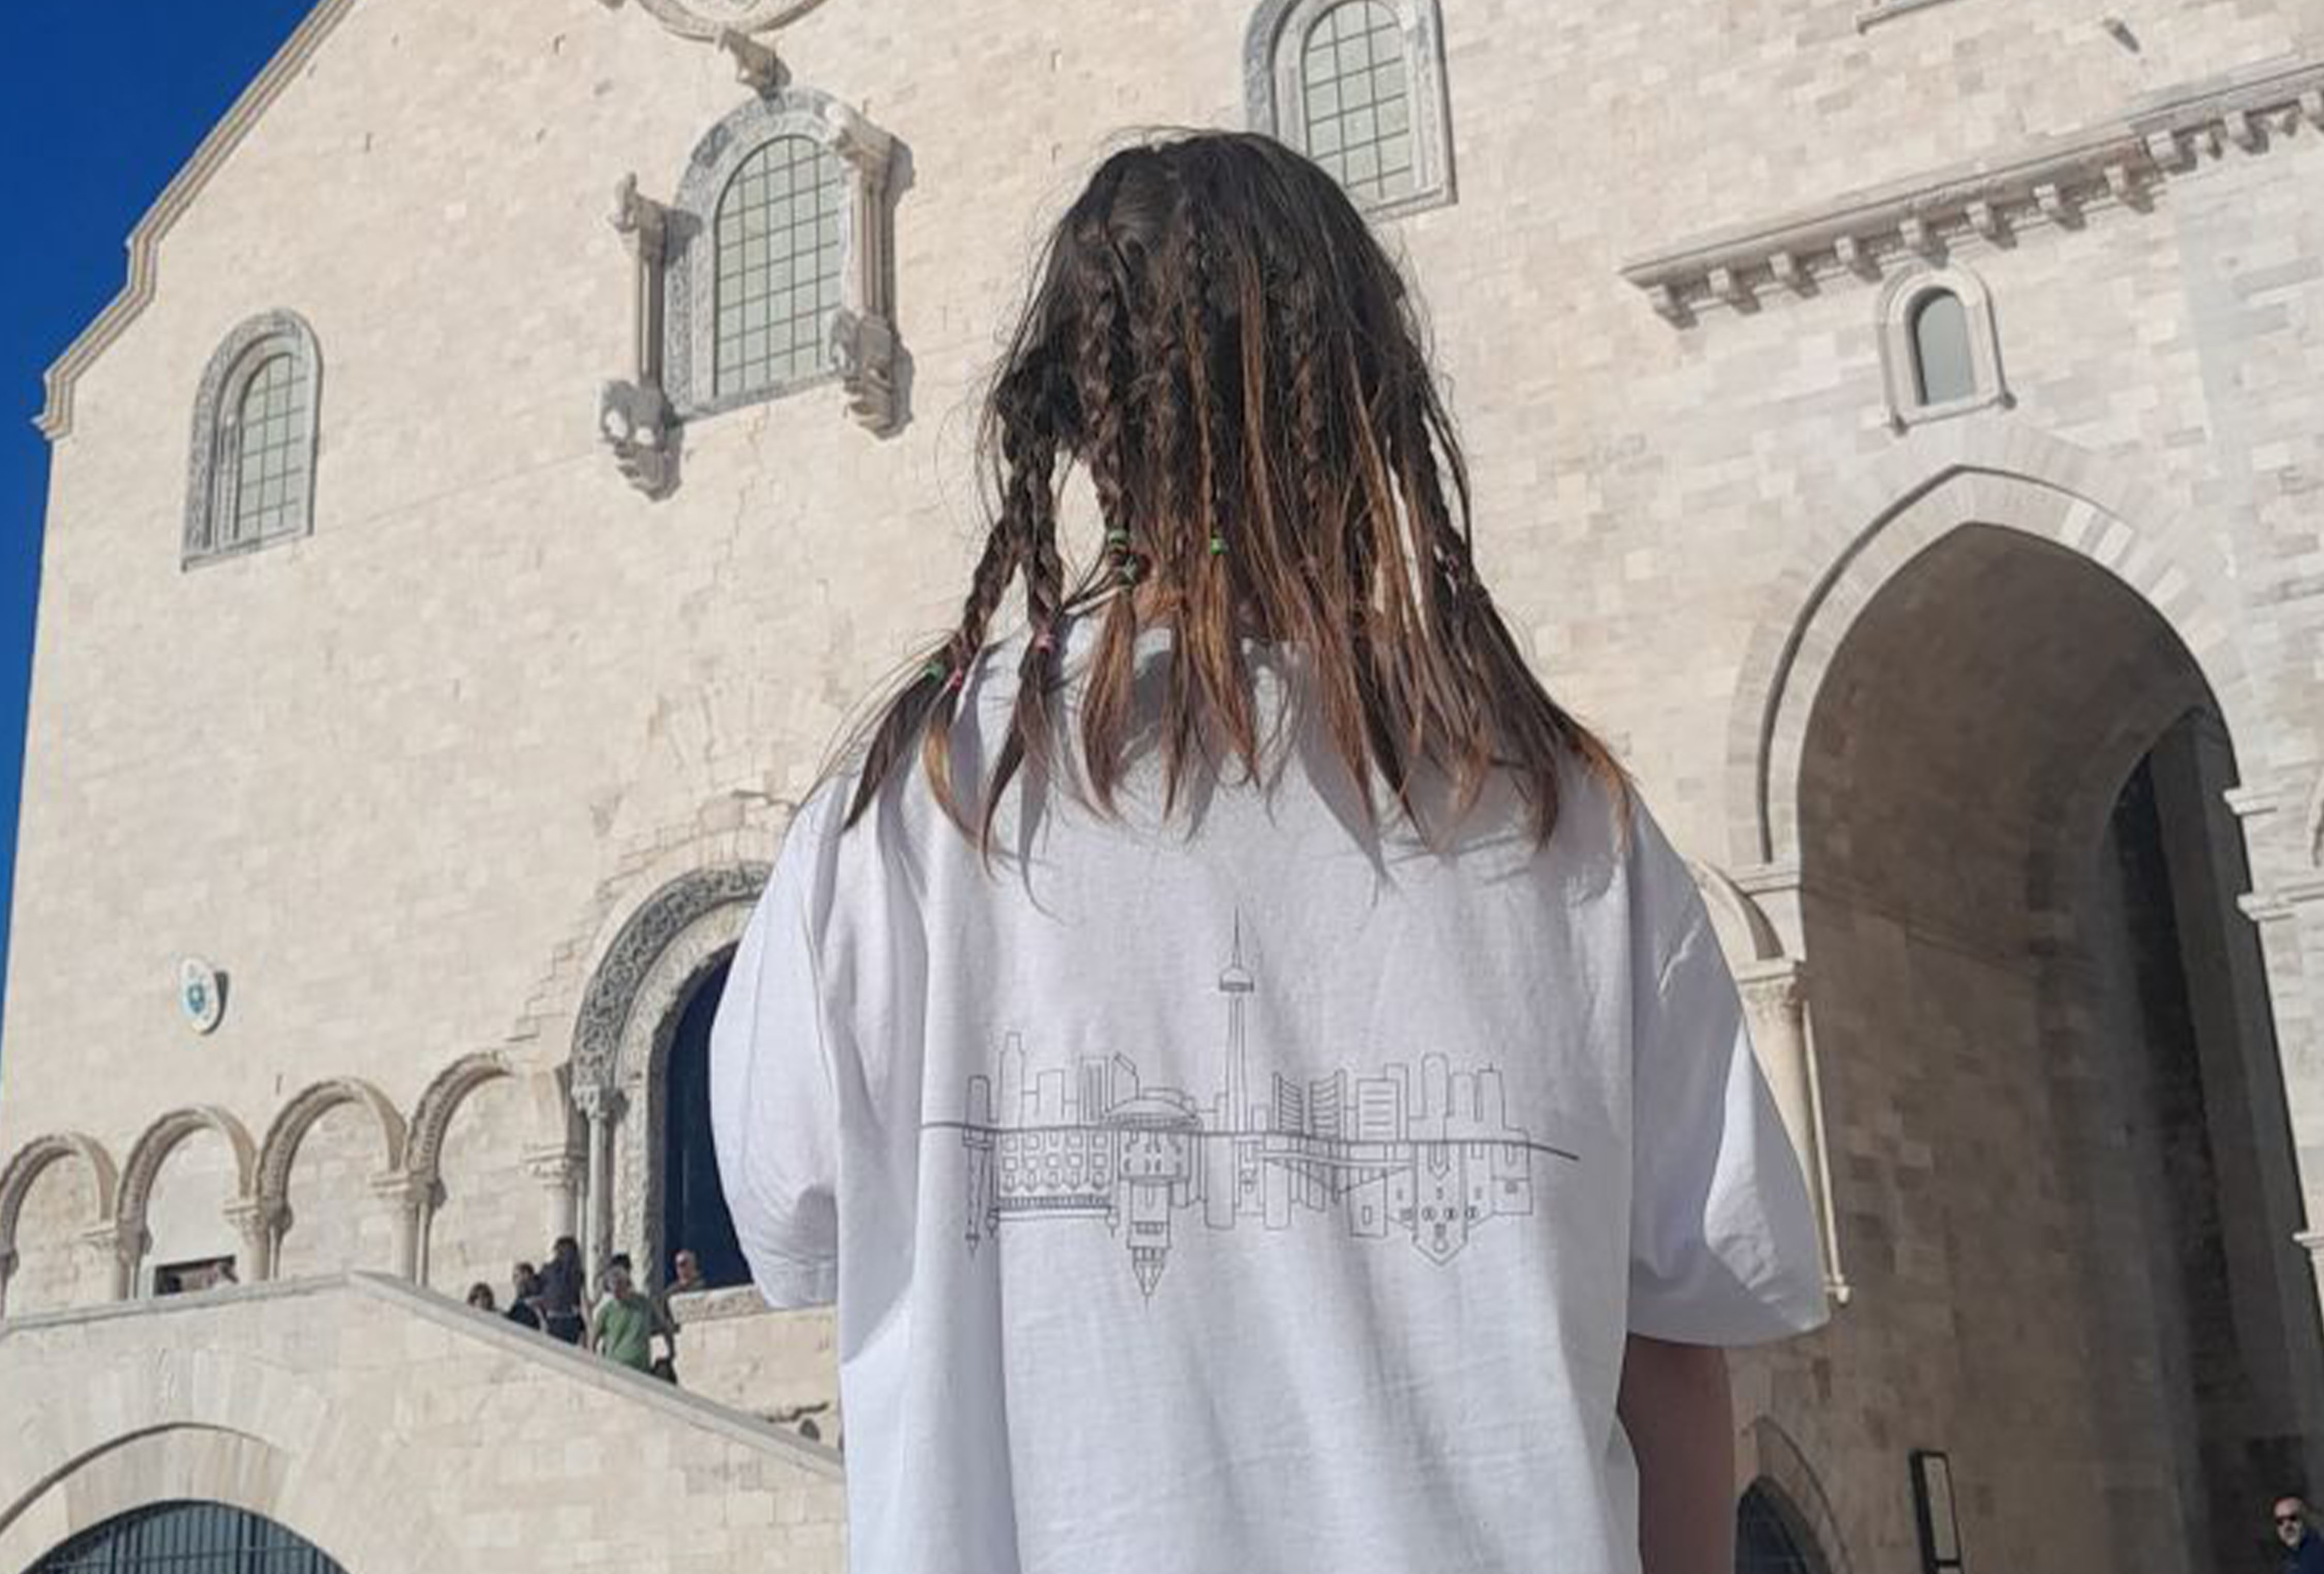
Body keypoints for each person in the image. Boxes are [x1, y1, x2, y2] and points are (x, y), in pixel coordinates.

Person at [709, 131, 1828, 1574]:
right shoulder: (1565, 821)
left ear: (1075, 412)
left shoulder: (907, 816)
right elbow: (1675, 1353)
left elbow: (795, 1219)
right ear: (1373, 400)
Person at [591, 1262, 656, 1375]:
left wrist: (671, 1350)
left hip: (640, 1367)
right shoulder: (606, 1311)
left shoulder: (644, 1303)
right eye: (613, 1285)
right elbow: (593, 1339)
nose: (616, 1289)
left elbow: (664, 1326)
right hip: (616, 1366)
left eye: (619, 1284)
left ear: (627, 1284)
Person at [537, 1235, 588, 1346]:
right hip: (556, 1319)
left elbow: (579, 1298)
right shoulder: (550, 1270)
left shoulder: (576, 1272)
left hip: (569, 1319)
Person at [2278, 1498, 2324, 1574]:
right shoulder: (2292, 1558)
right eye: (2280, 1522)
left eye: (2293, 1518)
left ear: (2306, 1521)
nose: (2287, 1526)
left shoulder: (2317, 1556)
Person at [505, 1263, 544, 1332]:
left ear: (526, 1275)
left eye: (517, 1276)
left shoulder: (540, 1294)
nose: (514, 1281)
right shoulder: (520, 1300)